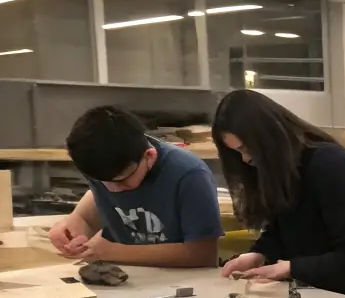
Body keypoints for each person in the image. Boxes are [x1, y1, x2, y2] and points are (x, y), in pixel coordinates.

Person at [214, 90, 345, 298]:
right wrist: (258, 254)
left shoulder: (329, 163)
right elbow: (287, 228)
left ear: (268, 138)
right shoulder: (280, 170)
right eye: (237, 152)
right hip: (309, 297)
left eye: (247, 149)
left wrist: (291, 267)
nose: (246, 159)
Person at [48, 106, 222, 267]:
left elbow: (203, 254)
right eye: (102, 182)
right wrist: (73, 231)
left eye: (121, 180)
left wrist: (114, 252)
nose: (112, 189)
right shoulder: (105, 168)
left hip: (182, 284)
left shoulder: (188, 174)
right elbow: (86, 216)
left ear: (149, 156)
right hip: (127, 279)